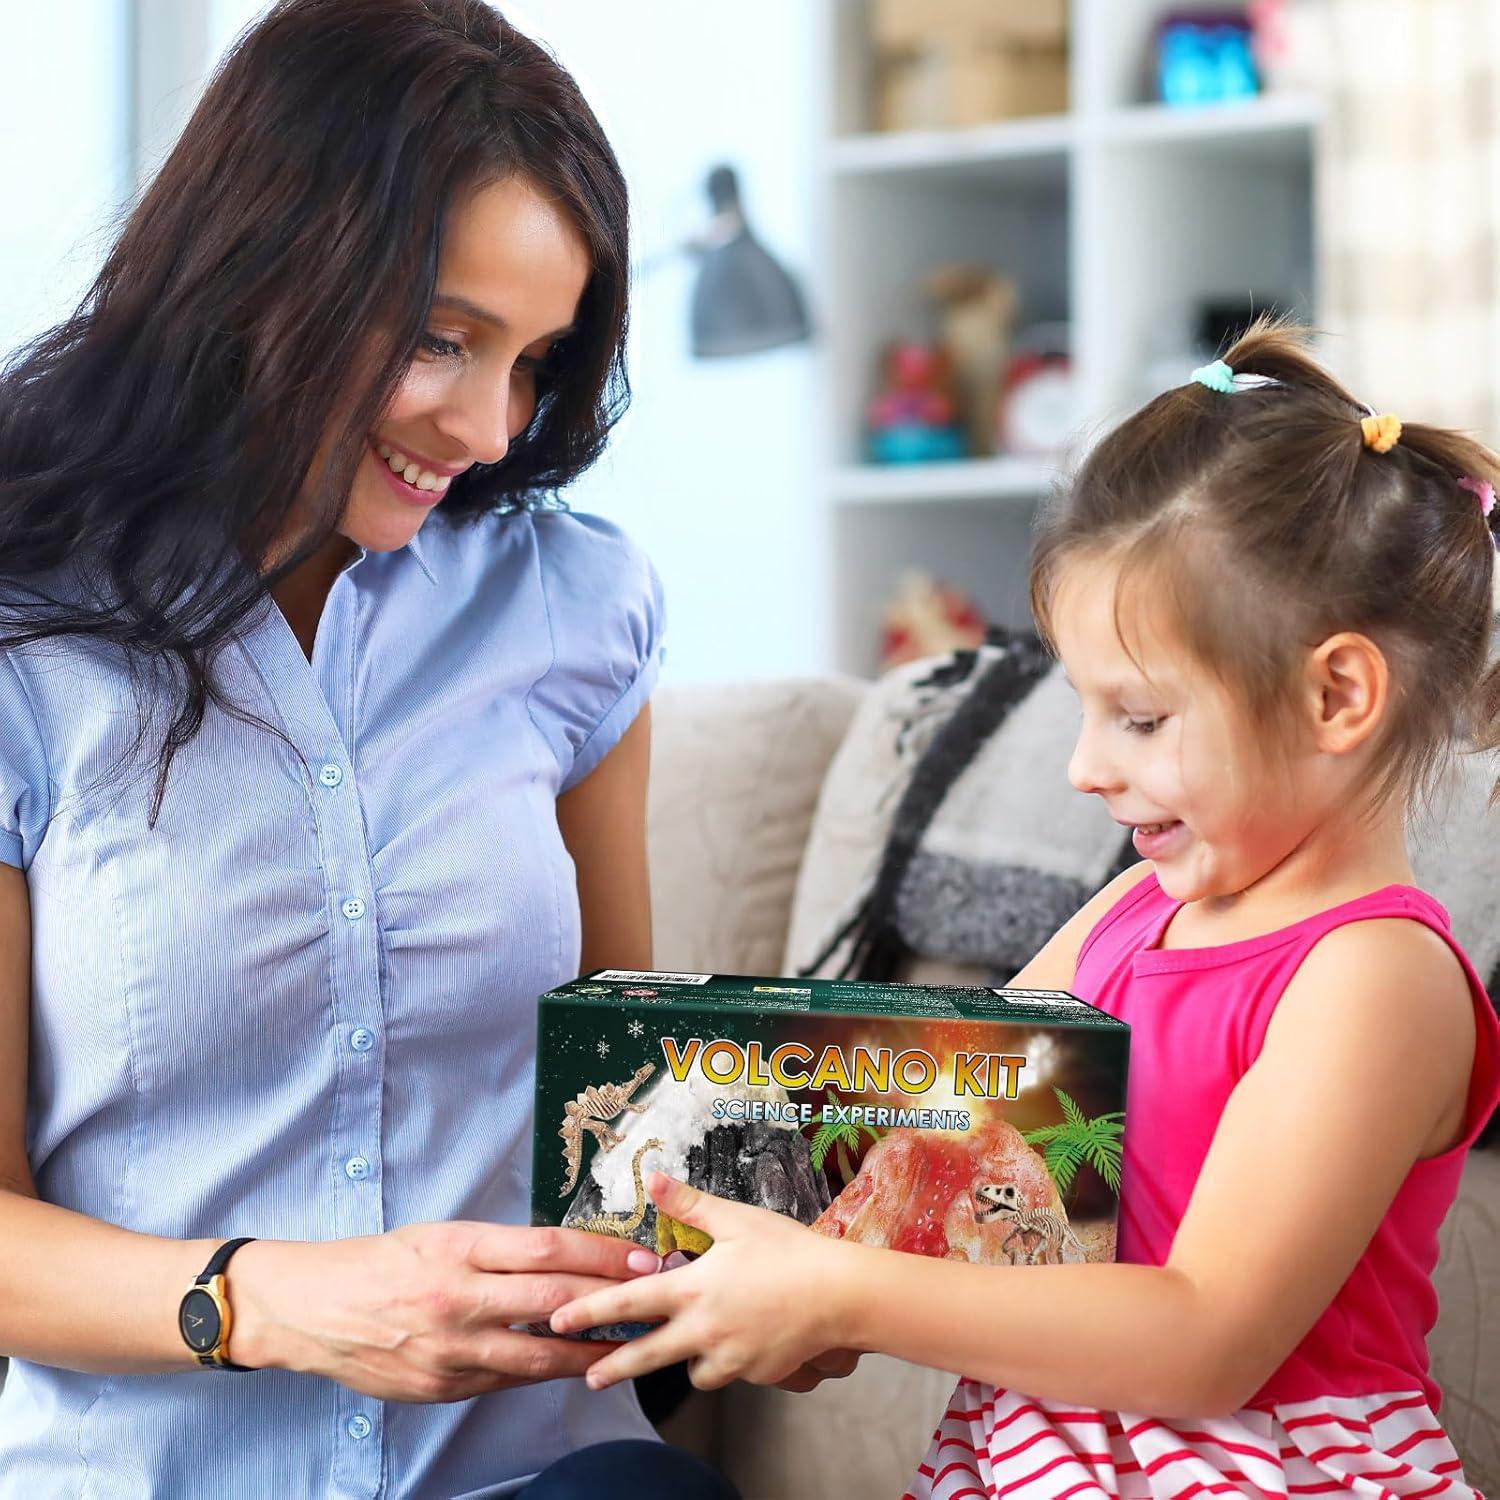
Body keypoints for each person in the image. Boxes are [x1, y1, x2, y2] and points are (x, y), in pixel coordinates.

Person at [552, 320, 1500, 1500]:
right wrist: (782, 1270)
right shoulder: (1130, 913)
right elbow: (950, 1131)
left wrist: (846, 1293)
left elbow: (1208, 1340)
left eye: (1140, 719)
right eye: (1082, 712)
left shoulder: (1374, 978)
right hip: (1034, 1457)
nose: (1086, 770)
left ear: (1338, 695)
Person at [0, 2, 744, 1495]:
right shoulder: (27, 634)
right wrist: (277, 1304)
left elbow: (631, 1130)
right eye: (439, 339)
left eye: (534, 359)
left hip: (536, 1475)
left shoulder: (574, 607)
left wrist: (760, 1282)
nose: (491, 424)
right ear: (266, 270)